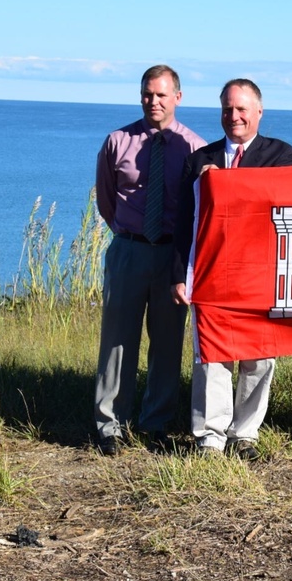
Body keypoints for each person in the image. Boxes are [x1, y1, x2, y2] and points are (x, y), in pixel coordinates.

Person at [172, 79, 292, 460]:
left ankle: (245, 433)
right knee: (212, 355)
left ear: (259, 111)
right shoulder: (199, 160)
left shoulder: (281, 155)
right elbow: (183, 221)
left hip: (262, 274)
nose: (234, 116)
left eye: (242, 109)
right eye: (227, 109)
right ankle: (210, 436)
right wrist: (180, 275)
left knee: (258, 356)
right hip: (212, 273)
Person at [93, 65, 206, 456]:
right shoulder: (116, 141)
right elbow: (107, 199)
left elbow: (198, 207)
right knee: (117, 340)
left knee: (167, 341)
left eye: (161, 94)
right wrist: (129, 235)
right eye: (147, 94)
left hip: (173, 255)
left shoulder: (195, 147)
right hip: (128, 249)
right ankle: (111, 425)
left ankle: (155, 421)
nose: (153, 101)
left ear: (178, 96)